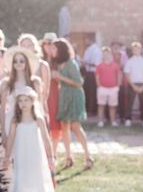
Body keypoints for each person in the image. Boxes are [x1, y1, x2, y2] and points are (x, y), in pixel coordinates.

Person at [2, 87, 55, 192]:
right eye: (20, 101)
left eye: (26, 100)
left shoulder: (38, 120)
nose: (23, 103)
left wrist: (50, 157)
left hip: (35, 154)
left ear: (32, 102)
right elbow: (10, 140)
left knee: (35, 177)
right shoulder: (16, 120)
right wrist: (7, 156)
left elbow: (46, 139)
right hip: (21, 154)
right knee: (20, 176)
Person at [52, 38, 93, 170]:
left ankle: (88, 156)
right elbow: (63, 82)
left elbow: (79, 82)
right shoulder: (59, 64)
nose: (52, 50)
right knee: (64, 126)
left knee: (75, 126)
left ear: (60, 49)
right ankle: (69, 157)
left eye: (54, 48)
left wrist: (59, 77)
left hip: (75, 96)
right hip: (64, 95)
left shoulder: (71, 63)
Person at [0, 46, 42, 143]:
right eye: (15, 61)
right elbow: (2, 110)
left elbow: (40, 106)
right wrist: (3, 133)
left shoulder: (34, 82)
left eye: (21, 61)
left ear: (27, 63)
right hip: (11, 121)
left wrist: (41, 125)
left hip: (30, 122)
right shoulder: (6, 84)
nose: (18, 63)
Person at [41, 33, 62, 156]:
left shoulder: (59, 60)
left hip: (55, 93)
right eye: (46, 43)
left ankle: (53, 153)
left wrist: (58, 76)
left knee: (55, 122)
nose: (48, 46)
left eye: (51, 44)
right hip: (43, 92)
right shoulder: (40, 59)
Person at [123, 41, 143, 127]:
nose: (136, 50)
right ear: (132, 51)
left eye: (138, 49)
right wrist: (133, 85)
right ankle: (128, 119)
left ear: (141, 50)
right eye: (134, 49)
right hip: (132, 84)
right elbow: (127, 74)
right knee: (130, 102)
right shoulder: (129, 61)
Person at [95, 47, 122, 127]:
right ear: (102, 55)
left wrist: (117, 86)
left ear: (110, 55)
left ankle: (113, 121)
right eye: (104, 54)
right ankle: (100, 121)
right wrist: (99, 86)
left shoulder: (115, 65)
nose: (106, 55)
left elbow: (118, 75)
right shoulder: (99, 66)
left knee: (112, 106)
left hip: (113, 88)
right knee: (101, 105)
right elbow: (97, 77)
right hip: (102, 88)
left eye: (107, 54)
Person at [82, 35, 103, 116]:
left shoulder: (96, 50)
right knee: (88, 92)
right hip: (88, 72)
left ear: (90, 39)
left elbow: (96, 64)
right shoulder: (89, 49)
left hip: (93, 73)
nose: (85, 41)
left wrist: (85, 63)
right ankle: (88, 109)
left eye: (86, 39)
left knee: (92, 92)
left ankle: (92, 110)